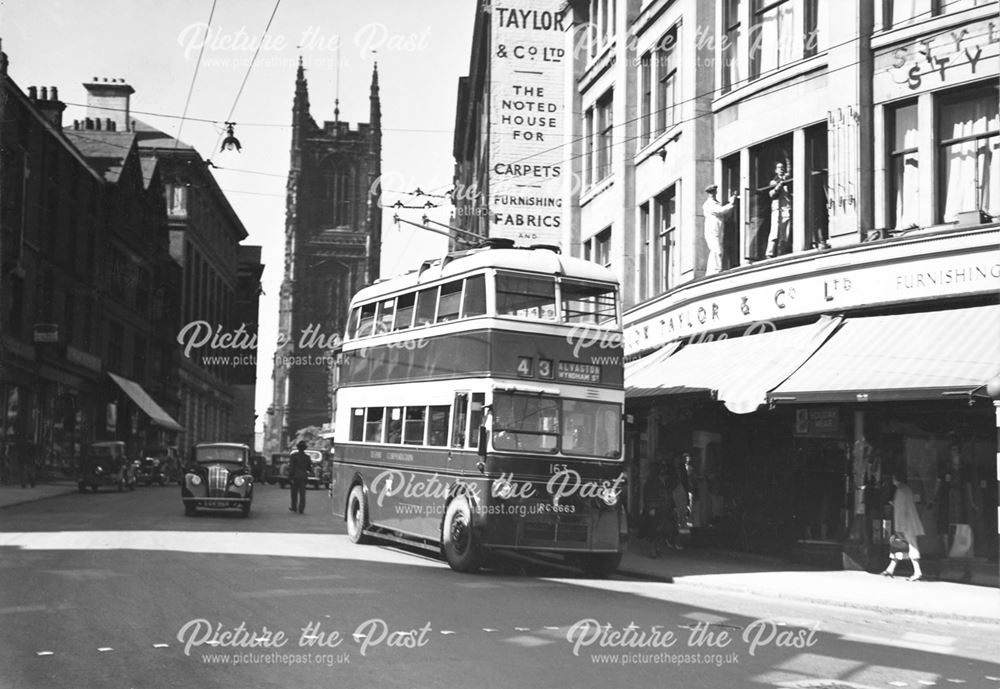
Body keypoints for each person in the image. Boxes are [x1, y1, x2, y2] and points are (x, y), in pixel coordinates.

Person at [928, 443, 978, 555]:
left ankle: (961, 551)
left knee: (961, 523)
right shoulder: (946, 467)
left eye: (955, 451)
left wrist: (971, 501)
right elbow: (939, 482)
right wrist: (934, 498)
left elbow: (968, 485)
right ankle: (947, 551)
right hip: (947, 498)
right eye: (952, 451)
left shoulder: (964, 468)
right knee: (945, 523)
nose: (953, 453)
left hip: (960, 498)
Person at [880, 474, 925, 581]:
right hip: (910, 522)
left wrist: (899, 527)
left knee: (910, 546)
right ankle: (890, 569)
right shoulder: (906, 489)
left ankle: (918, 571)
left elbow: (900, 510)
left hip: (905, 523)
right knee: (899, 546)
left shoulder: (900, 491)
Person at [702, 184, 738, 276]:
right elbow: (720, 211)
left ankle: (712, 270)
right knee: (716, 249)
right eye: (711, 192)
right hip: (712, 228)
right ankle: (715, 270)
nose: (713, 194)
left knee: (718, 249)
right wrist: (731, 204)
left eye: (714, 192)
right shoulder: (708, 204)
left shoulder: (716, 203)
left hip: (718, 228)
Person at [642, 459, 673, 558]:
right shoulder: (652, 482)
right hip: (656, 507)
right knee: (655, 529)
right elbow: (648, 496)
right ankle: (653, 549)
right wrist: (651, 507)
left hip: (664, 508)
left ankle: (657, 547)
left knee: (663, 529)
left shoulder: (664, 482)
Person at [766, 162, 792, 258]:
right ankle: (770, 252)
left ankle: (783, 252)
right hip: (777, 209)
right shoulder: (773, 182)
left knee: (785, 232)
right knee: (774, 231)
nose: (781, 169)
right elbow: (771, 194)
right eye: (779, 168)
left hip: (786, 208)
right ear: (776, 170)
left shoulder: (787, 180)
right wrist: (778, 186)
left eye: (782, 168)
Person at [288, 441, 311, 514]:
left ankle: (294, 507)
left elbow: (291, 468)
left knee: (294, 493)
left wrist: (290, 477)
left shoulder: (294, 456)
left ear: (298, 448)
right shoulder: (307, 457)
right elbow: (309, 468)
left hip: (295, 477)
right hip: (303, 477)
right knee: (302, 494)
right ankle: (301, 508)